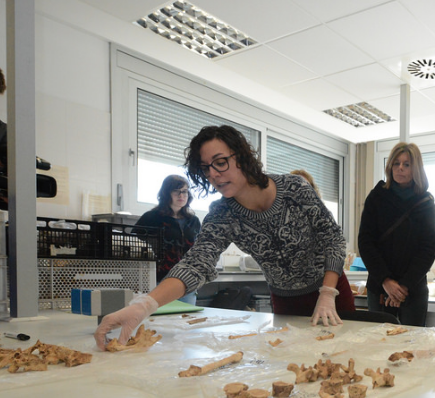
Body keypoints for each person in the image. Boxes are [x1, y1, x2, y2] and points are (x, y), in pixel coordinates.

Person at [95, 125, 353, 349]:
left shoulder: (294, 188)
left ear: (242, 156)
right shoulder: (222, 213)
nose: (214, 175)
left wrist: (327, 292)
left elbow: (332, 238)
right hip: (285, 300)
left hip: (330, 291)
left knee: (348, 355)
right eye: (206, 169)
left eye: (220, 162)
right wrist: (144, 305)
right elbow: (197, 262)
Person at [357, 142, 435, 326]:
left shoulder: (426, 203)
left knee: (411, 347)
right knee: (379, 347)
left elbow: (428, 248)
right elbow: (366, 242)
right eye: (396, 163)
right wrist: (386, 281)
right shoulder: (376, 197)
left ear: (415, 168)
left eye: (406, 164)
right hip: (379, 287)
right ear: (390, 166)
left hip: (413, 288)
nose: (400, 168)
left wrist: (403, 287)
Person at [134, 175, 202, 305]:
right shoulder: (151, 218)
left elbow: (199, 249)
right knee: (159, 321)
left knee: (184, 319)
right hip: (158, 280)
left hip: (186, 281)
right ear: (166, 193)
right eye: (176, 191)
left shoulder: (193, 221)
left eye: (185, 191)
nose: (181, 195)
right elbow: (134, 244)